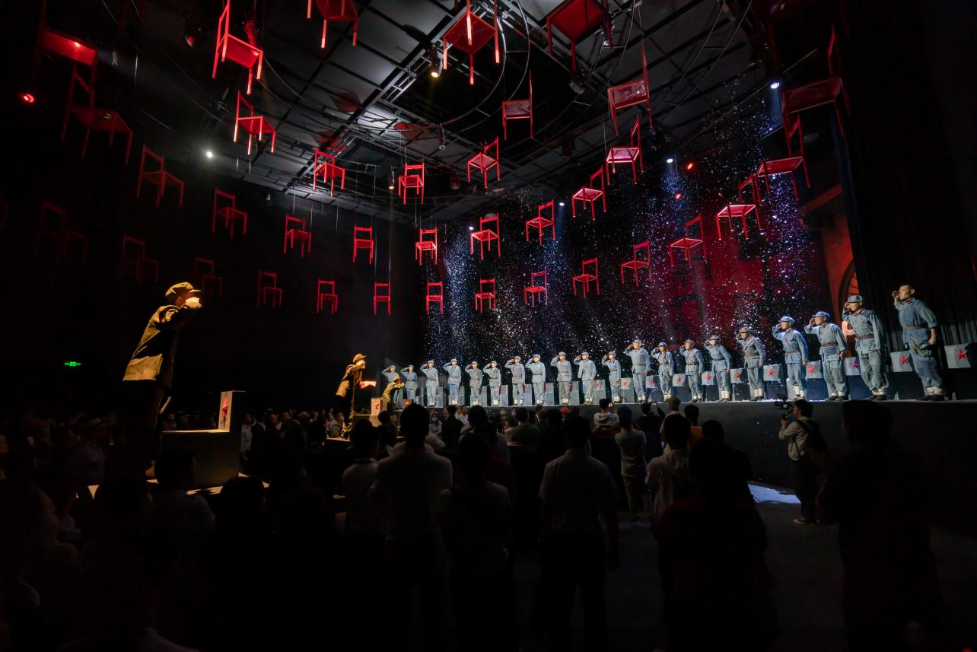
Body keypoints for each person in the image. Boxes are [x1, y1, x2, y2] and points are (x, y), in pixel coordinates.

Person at [818, 401, 942, 652]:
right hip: (913, 560)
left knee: (868, 633)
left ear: (852, 428)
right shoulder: (909, 460)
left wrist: (829, 473)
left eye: (844, 422)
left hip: (866, 566)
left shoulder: (848, 465)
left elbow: (825, 513)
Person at [657, 438, 769, 651]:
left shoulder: (676, 514)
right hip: (736, 602)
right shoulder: (744, 512)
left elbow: (666, 566)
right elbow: (758, 551)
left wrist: (671, 604)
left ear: (691, 475)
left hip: (691, 601)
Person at [369, 403, 453, 652]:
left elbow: (376, 499)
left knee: (397, 608)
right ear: (427, 429)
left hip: (397, 541)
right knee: (433, 609)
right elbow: (445, 505)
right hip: (431, 541)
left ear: (401, 429)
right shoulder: (443, 465)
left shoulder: (386, 466)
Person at [538, 414, 619, 652]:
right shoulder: (600, 469)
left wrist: (544, 544)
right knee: (594, 603)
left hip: (561, 542)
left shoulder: (552, 467)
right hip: (591, 541)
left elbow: (545, 511)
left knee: (560, 605)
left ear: (565, 437)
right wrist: (613, 548)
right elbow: (610, 513)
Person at [437, 434, 517, 652]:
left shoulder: (446, 497)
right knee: (496, 623)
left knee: (467, 627)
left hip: (461, 570)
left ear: (459, 461)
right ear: (488, 459)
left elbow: (445, 534)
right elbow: (507, 530)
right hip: (495, 567)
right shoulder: (499, 493)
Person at [122, 282, 203, 470]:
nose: (195, 298)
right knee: (143, 427)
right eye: (190, 296)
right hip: (145, 375)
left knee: (145, 426)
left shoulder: (168, 314)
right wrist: (191, 306)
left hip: (146, 375)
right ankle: (135, 471)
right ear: (180, 299)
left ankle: (137, 468)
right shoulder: (166, 310)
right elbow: (174, 320)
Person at [892, 285, 945, 401]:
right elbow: (897, 306)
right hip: (909, 338)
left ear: (911, 291)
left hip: (920, 337)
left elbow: (932, 320)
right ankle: (930, 391)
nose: (900, 293)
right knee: (919, 366)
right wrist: (896, 298)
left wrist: (933, 337)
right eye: (899, 291)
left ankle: (938, 391)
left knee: (927, 364)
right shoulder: (904, 305)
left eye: (902, 291)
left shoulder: (917, 304)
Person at [777, 399, 825, 524]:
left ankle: (808, 516)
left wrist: (783, 425)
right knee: (811, 487)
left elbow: (782, 436)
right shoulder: (813, 421)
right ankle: (816, 513)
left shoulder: (796, 425)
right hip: (812, 458)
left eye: (795, 408)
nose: (794, 410)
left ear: (800, 411)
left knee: (801, 489)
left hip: (800, 460)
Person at [646, 414, 693, 531]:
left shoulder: (657, 463)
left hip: (663, 515)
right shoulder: (697, 463)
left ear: (666, 437)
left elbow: (650, 486)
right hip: (690, 517)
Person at [842, 295, 889, 400]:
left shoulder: (869, 314)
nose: (851, 305)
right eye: (849, 303)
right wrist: (845, 308)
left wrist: (879, 345)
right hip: (861, 346)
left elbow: (878, 330)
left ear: (860, 303)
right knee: (865, 371)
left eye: (853, 303)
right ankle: (874, 391)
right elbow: (844, 317)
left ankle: (882, 391)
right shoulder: (852, 316)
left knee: (876, 369)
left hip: (872, 344)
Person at [342, 423, 385, 537]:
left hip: (354, 529)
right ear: (375, 445)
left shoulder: (347, 473)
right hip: (377, 530)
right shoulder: (379, 471)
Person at [701, 420, 753, 500]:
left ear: (704, 436)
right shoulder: (738, 455)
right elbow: (748, 474)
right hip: (739, 501)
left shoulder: (701, 458)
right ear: (722, 434)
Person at [614, 406, 649, 524]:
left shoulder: (618, 437)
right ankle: (649, 517)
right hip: (641, 468)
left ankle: (634, 518)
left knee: (631, 496)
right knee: (645, 494)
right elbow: (644, 444)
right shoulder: (640, 434)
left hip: (627, 470)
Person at [805, 311, 849, 400]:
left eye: (817, 317)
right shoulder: (818, 328)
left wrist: (842, 351)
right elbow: (808, 331)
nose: (815, 319)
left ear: (824, 318)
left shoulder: (833, 327)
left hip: (834, 351)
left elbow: (841, 339)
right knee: (827, 374)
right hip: (824, 353)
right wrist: (810, 324)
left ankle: (841, 393)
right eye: (815, 317)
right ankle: (833, 393)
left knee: (837, 373)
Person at [772, 316, 809, 400]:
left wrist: (804, 359)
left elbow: (803, 346)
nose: (781, 324)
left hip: (797, 356)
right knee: (791, 378)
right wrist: (776, 327)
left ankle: (803, 395)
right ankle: (798, 395)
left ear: (789, 323)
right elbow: (775, 335)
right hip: (788, 357)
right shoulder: (783, 334)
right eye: (781, 322)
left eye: (783, 322)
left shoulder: (796, 333)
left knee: (799, 376)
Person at [334, 353, 366, 436]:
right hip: (344, 393)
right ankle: (347, 432)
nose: (364, 362)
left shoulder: (359, 372)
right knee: (349, 413)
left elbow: (358, 384)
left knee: (348, 414)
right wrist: (358, 365)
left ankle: (345, 432)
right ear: (357, 361)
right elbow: (350, 371)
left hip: (349, 394)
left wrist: (368, 383)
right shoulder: (351, 366)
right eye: (362, 360)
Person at [737, 327, 766, 401]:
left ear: (748, 333)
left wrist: (761, 362)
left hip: (756, 361)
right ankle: (756, 395)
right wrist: (738, 335)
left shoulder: (755, 340)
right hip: (748, 362)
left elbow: (762, 352)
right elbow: (738, 339)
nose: (742, 334)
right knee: (751, 379)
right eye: (741, 333)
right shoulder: (744, 341)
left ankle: (761, 395)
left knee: (758, 378)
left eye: (744, 333)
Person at [704, 335, 733, 402]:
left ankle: (727, 397)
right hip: (716, 367)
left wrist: (729, 367)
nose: (711, 341)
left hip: (723, 366)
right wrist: (706, 342)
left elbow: (728, 357)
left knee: (725, 382)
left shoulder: (721, 348)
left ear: (717, 341)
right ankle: (722, 397)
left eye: (713, 340)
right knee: (719, 382)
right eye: (711, 340)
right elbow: (705, 346)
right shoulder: (711, 347)